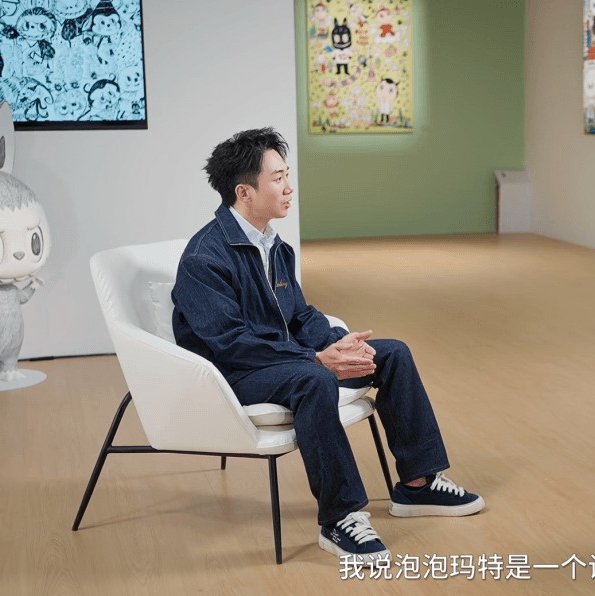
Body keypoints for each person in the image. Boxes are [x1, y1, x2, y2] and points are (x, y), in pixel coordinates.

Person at [171, 128, 483, 565]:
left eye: (287, 175)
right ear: (244, 192)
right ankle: (339, 518)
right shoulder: (204, 258)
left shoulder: (272, 244)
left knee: (392, 354)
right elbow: (230, 344)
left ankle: (418, 485)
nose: (289, 187)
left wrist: (339, 344)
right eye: (277, 178)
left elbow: (299, 315)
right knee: (314, 378)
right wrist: (317, 358)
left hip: (282, 361)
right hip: (234, 375)